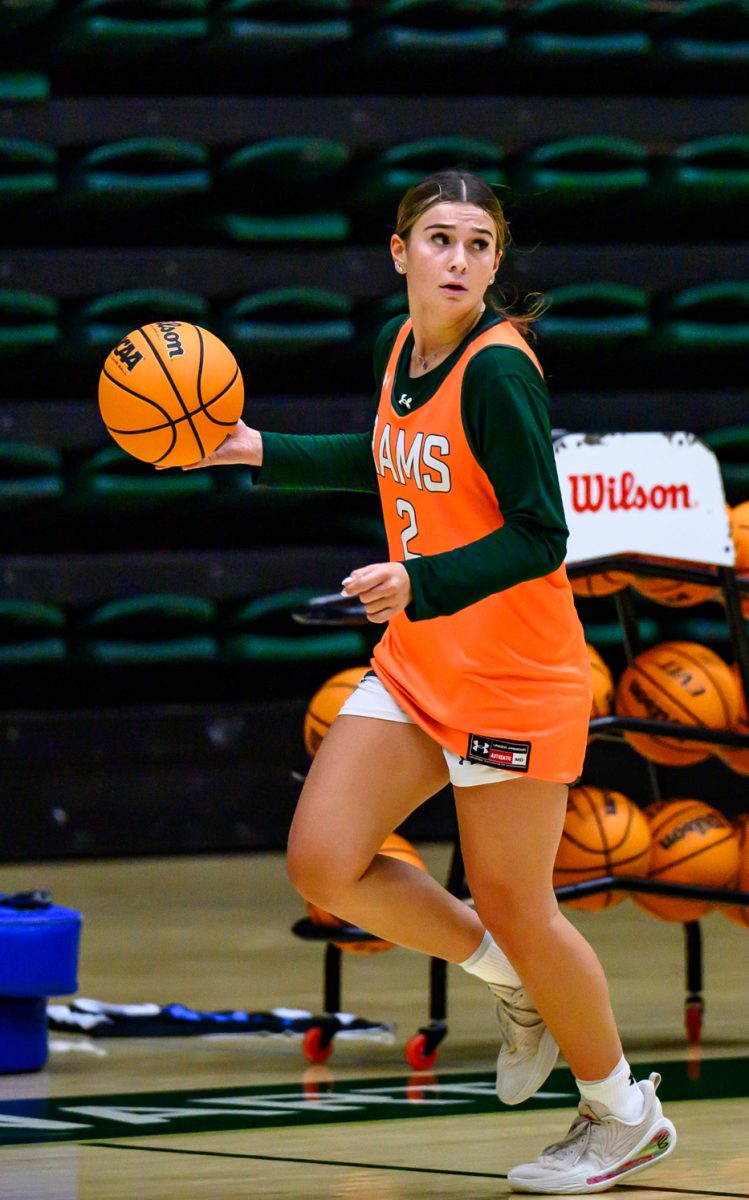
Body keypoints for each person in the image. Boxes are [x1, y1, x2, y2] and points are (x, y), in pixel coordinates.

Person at [181, 169, 677, 1194]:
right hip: (423, 661)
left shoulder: (498, 373)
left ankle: (622, 1112)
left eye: (478, 245)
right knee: (324, 864)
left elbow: (541, 535)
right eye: (439, 239)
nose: (457, 260)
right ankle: (511, 982)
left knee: (518, 903)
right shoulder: (398, 344)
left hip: (511, 677)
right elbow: (388, 456)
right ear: (398, 251)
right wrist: (255, 448)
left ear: (494, 264)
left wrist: (417, 579)